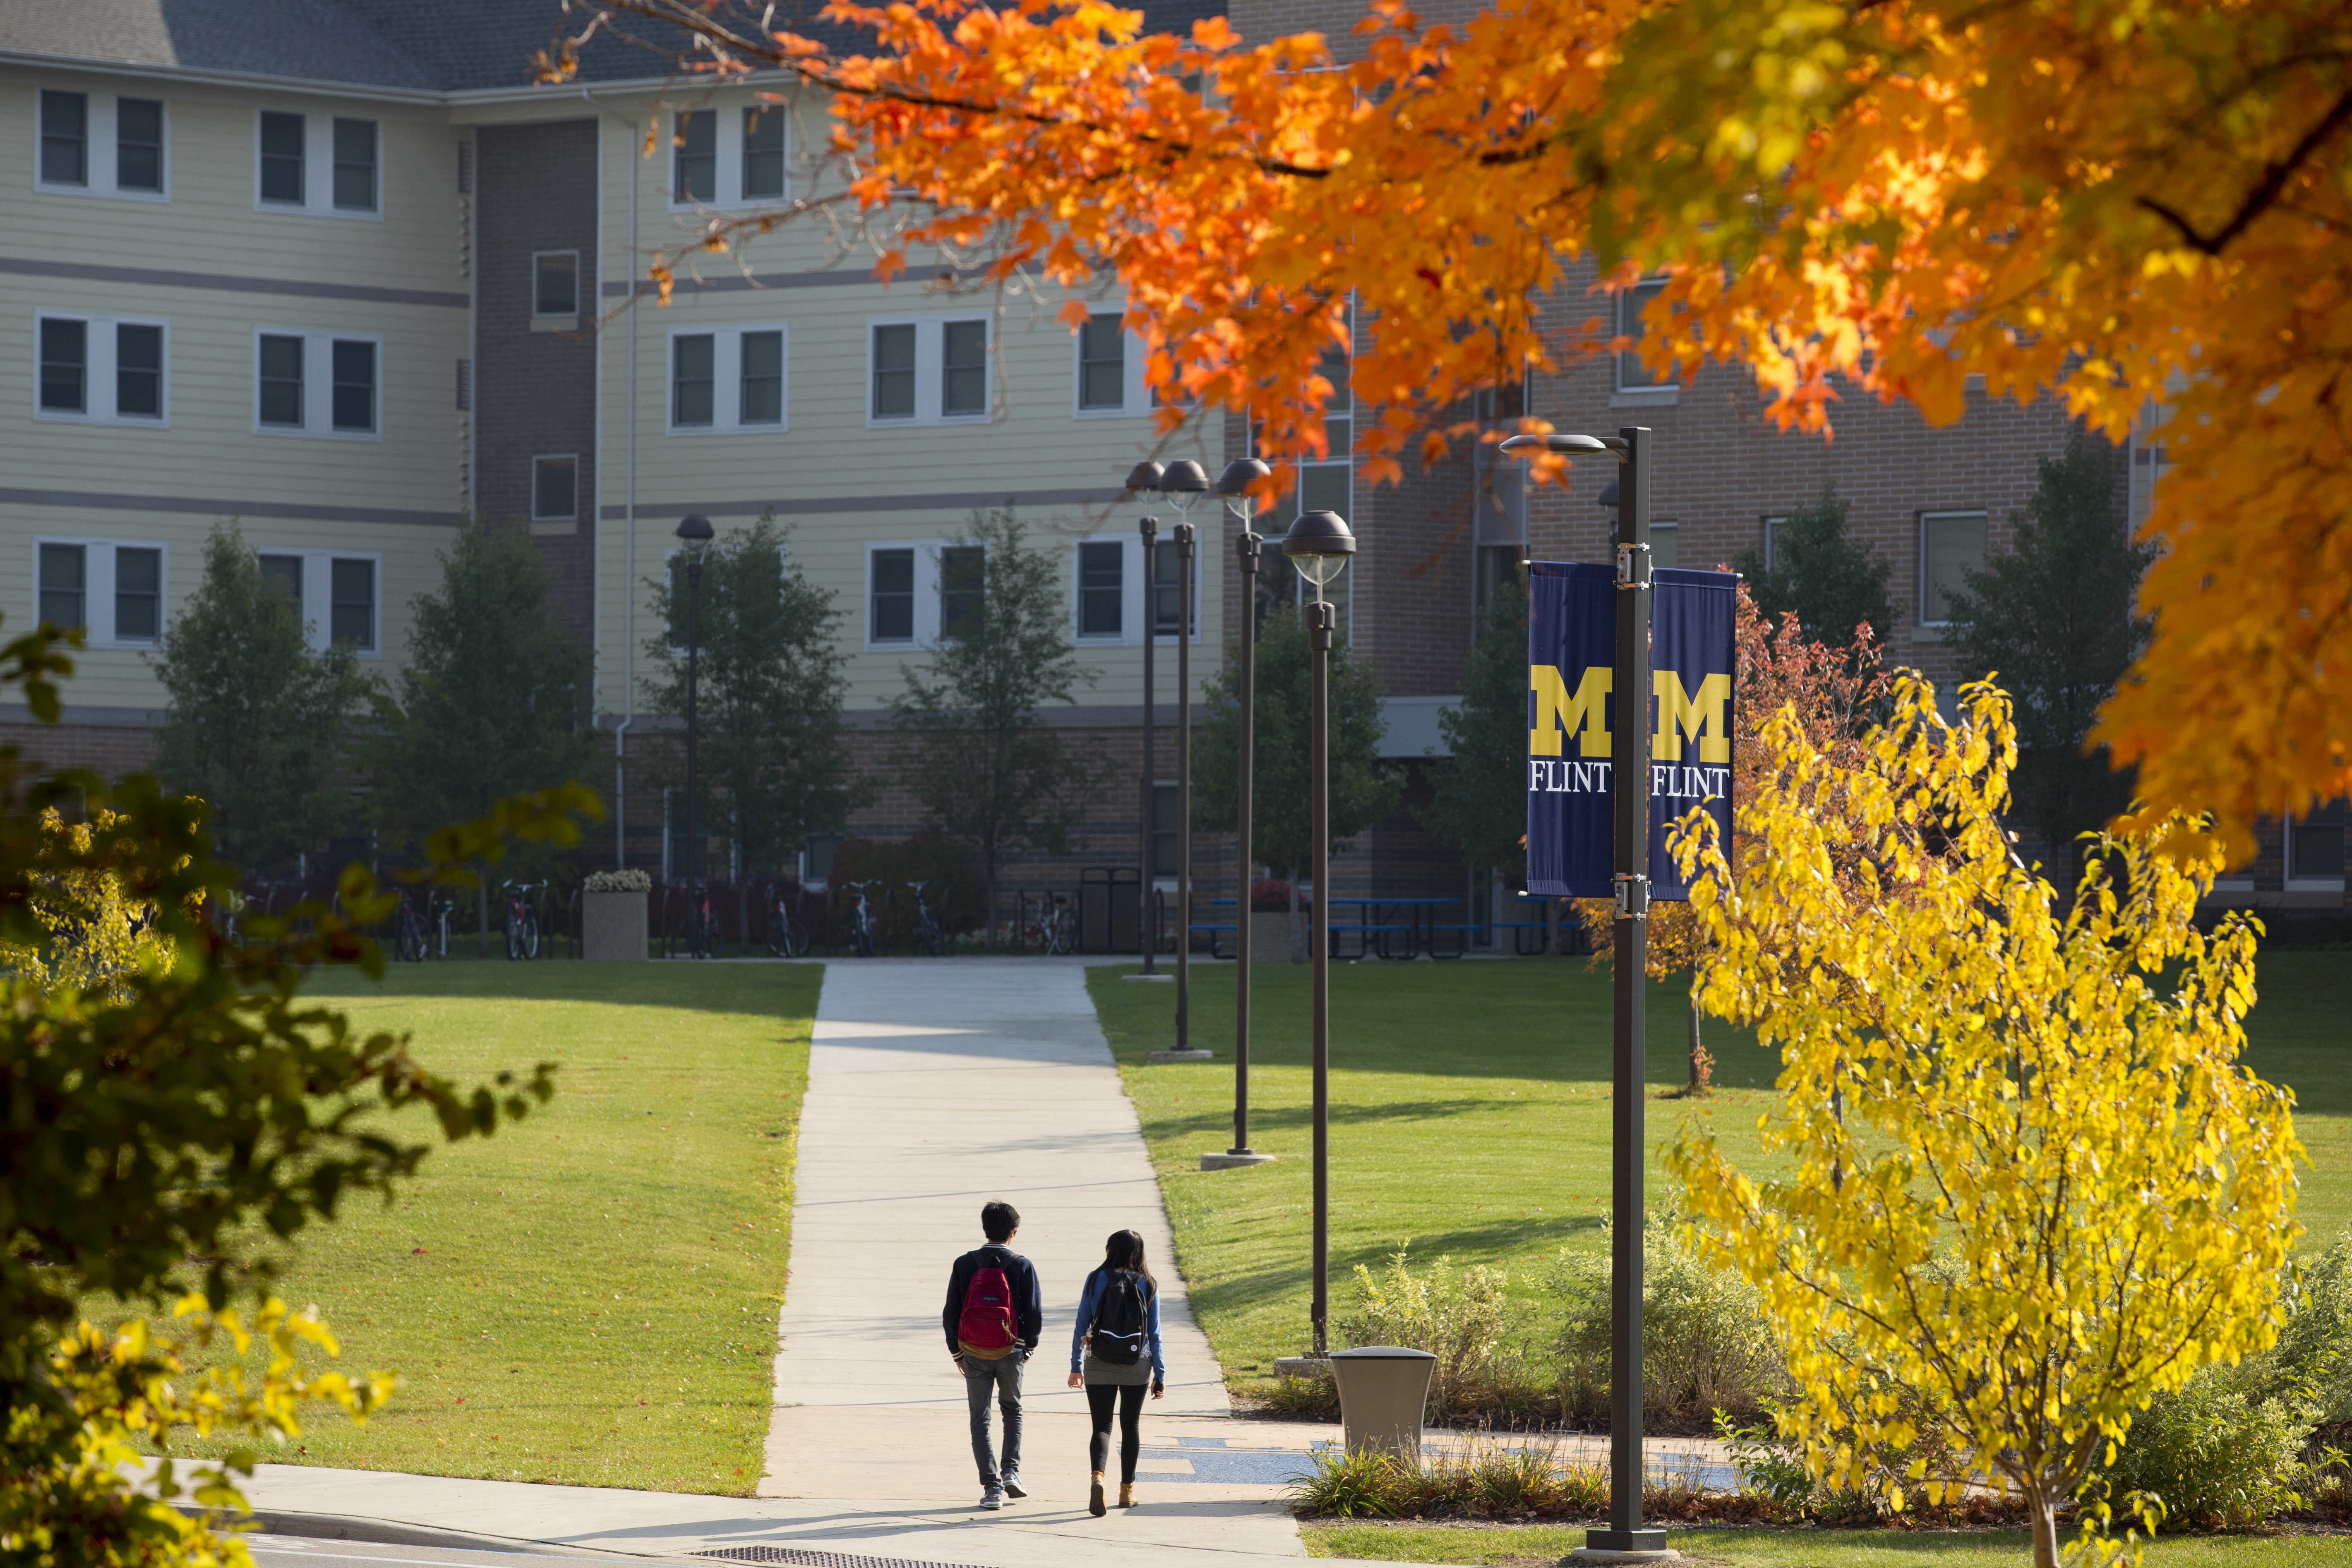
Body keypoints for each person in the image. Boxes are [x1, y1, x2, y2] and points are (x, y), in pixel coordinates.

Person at [944, 1200, 1042, 1509]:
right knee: (1012, 1410)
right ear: (1013, 1233)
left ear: (985, 1229)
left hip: (973, 1350)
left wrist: (956, 1352)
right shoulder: (1022, 1265)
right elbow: (1034, 1312)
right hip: (1011, 1350)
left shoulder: (964, 1263)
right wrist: (1029, 1346)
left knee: (980, 1419)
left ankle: (992, 1489)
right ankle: (1011, 1471)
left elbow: (951, 1312)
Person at [1066, 1228, 1165, 1517]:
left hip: (1099, 1360)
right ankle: (1127, 1490)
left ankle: (1098, 1476)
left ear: (1109, 1250)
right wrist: (1160, 1374)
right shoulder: (1148, 1283)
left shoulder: (1096, 1279)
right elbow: (1155, 1334)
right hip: (1137, 1364)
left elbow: (1081, 1324)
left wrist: (1075, 1365)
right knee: (1130, 1426)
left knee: (1102, 1427)